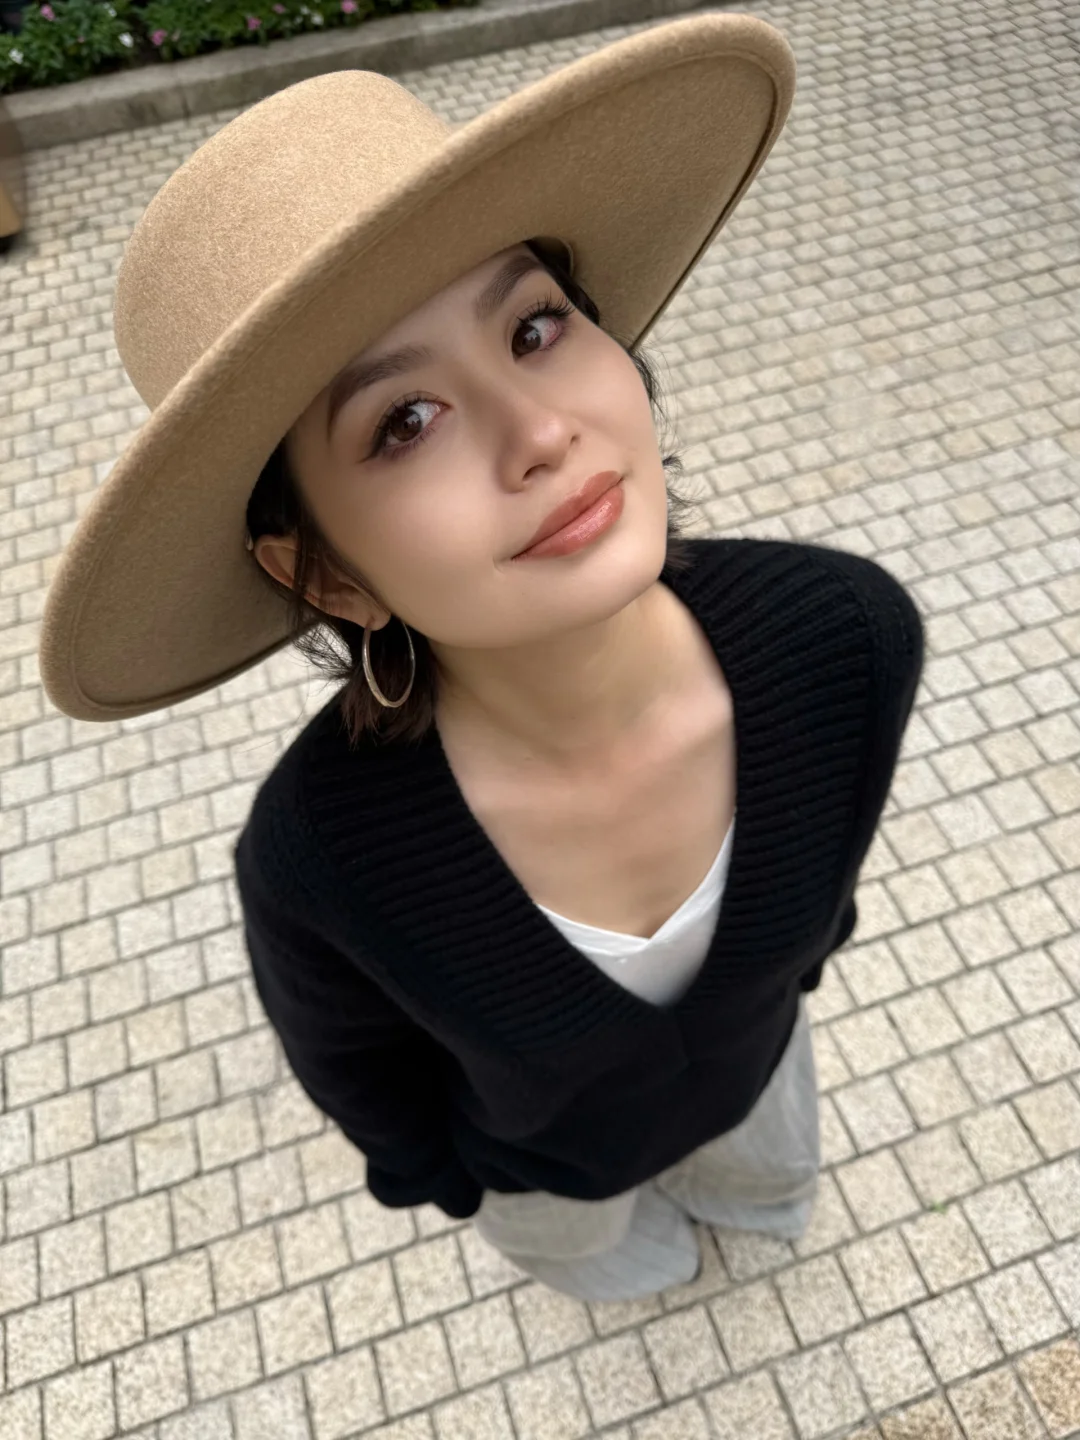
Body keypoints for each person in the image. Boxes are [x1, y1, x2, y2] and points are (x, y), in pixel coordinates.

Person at [39, 13, 923, 1302]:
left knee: (770, 1199)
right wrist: (455, 1185)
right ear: (325, 574)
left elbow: (824, 902)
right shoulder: (321, 859)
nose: (541, 431)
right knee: (626, 1269)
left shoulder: (844, 637)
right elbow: (367, 1083)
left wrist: (785, 993)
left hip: (759, 1087)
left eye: (534, 327)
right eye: (405, 419)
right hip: (549, 1192)